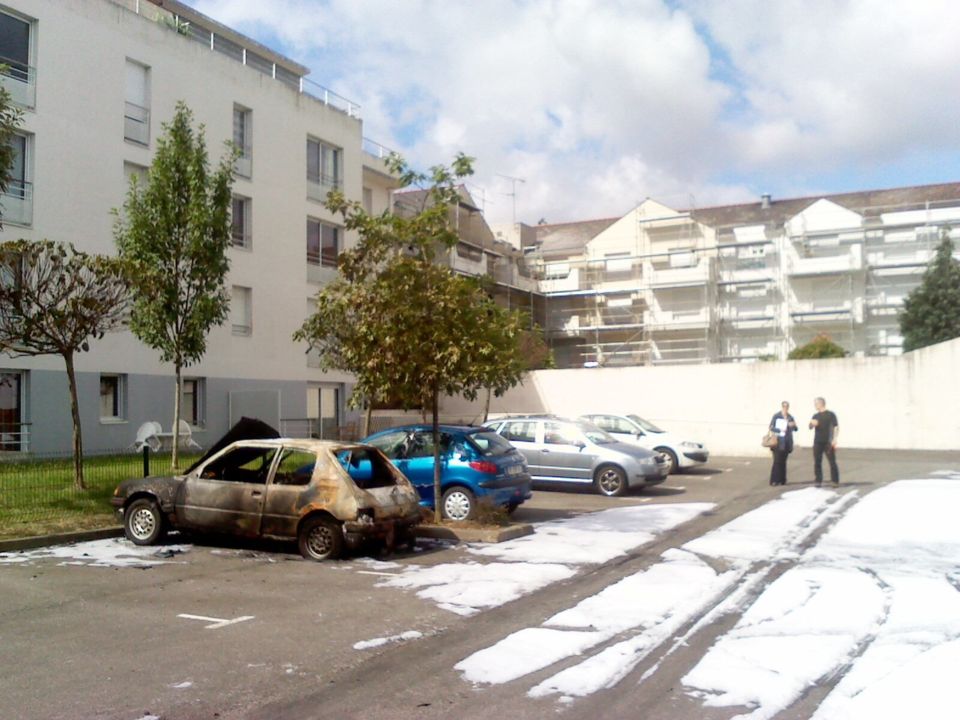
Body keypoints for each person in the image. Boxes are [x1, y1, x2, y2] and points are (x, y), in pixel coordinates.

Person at [809, 397, 839, 486]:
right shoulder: (815, 416)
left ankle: (835, 481)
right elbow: (810, 426)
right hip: (817, 441)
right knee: (817, 461)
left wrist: (835, 439)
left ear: (820, 404)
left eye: (816, 404)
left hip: (828, 441)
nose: (815, 406)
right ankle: (818, 480)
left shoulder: (830, 414)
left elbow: (836, 427)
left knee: (832, 461)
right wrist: (812, 424)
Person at [768, 401, 797, 486]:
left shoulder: (790, 417)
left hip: (787, 442)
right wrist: (780, 430)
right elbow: (771, 427)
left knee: (783, 461)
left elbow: (795, 429)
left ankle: (782, 480)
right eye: (784, 406)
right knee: (777, 461)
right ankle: (774, 480)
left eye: (787, 407)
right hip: (777, 441)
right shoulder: (777, 416)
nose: (785, 408)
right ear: (782, 407)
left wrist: (793, 425)